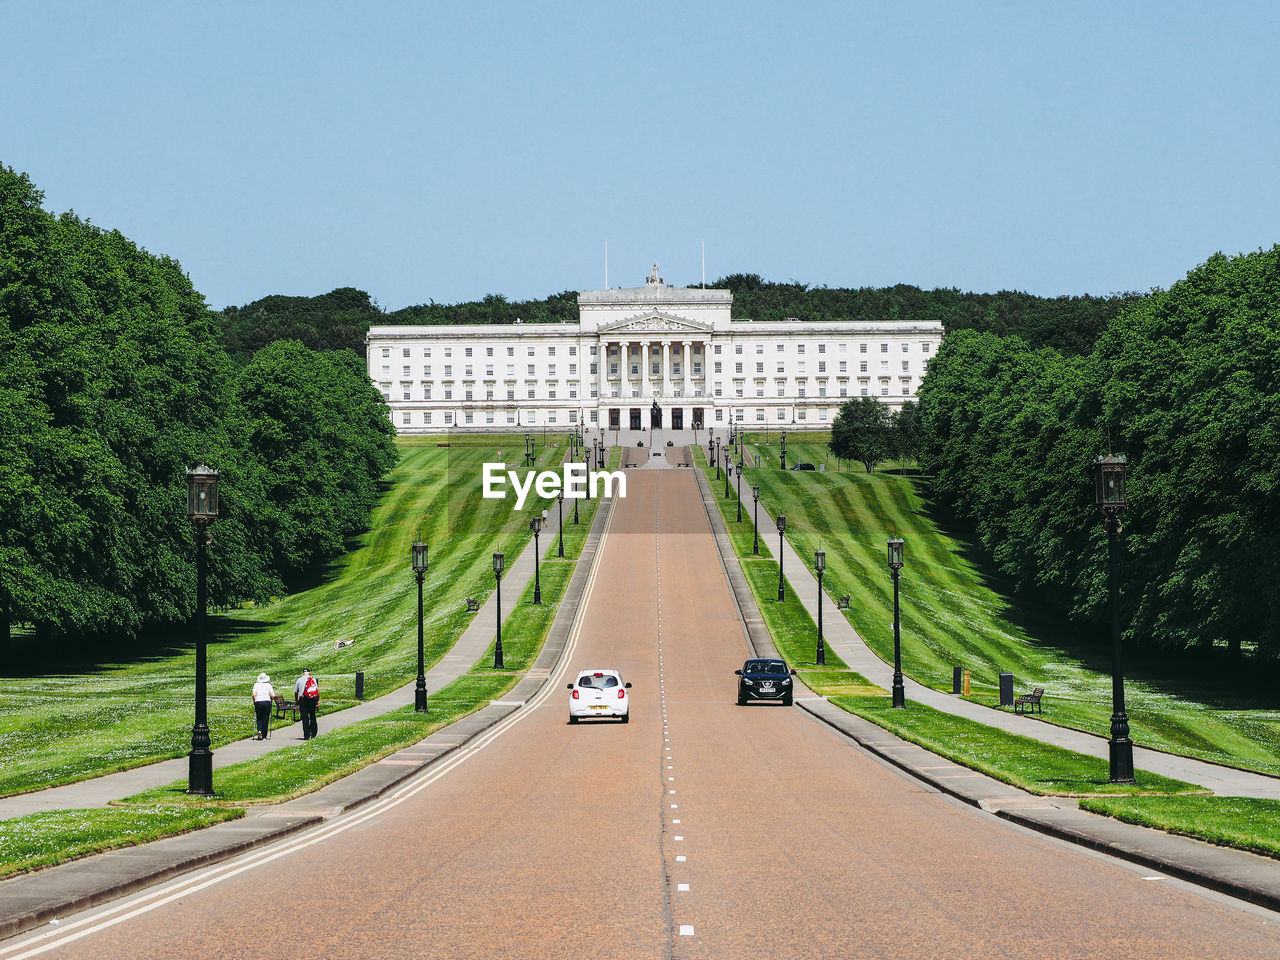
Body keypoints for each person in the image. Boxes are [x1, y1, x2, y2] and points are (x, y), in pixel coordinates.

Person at [295, 668, 320, 739]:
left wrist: (297, 701)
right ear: (309, 673)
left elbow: (296, 692)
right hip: (312, 700)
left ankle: (306, 735)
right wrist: (318, 701)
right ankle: (313, 733)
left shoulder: (299, 680)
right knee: (312, 716)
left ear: (303, 673)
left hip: (303, 700)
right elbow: (317, 691)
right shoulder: (313, 679)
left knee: (305, 718)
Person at [251, 673, 275, 740]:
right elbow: (273, 695)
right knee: (266, 718)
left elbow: (253, 695)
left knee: (259, 717)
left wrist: (254, 702)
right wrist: (271, 699)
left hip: (258, 702)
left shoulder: (256, 685)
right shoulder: (268, 685)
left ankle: (259, 730)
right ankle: (264, 736)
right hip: (267, 702)